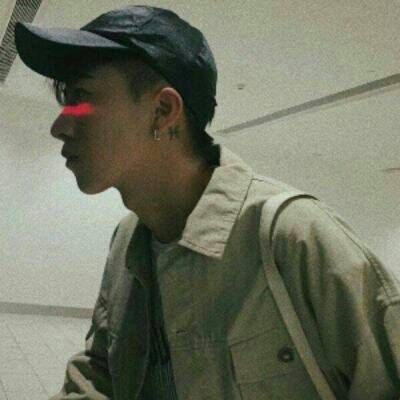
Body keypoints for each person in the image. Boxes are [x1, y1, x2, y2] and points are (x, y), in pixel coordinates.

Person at [14, 5, 400, 400]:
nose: (59, 126)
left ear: (163, 111)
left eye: (80, 98)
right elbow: (102, 373)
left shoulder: (294, 237)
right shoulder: (127, 240)